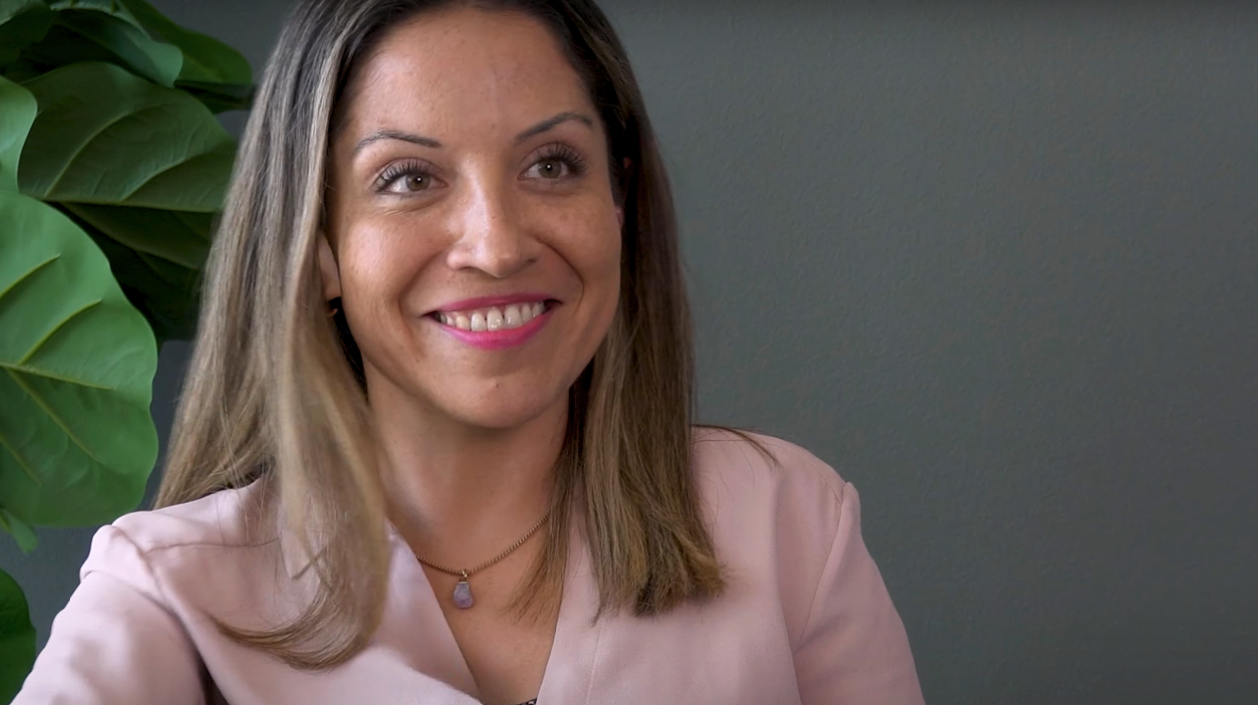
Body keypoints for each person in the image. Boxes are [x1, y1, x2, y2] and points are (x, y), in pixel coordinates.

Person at [15, 0, 925, 703]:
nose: (495, 245)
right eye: (408, 178)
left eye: (552, 165)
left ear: (620, 202)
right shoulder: (167, 591)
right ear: (319, 243)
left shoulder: (791, 524)